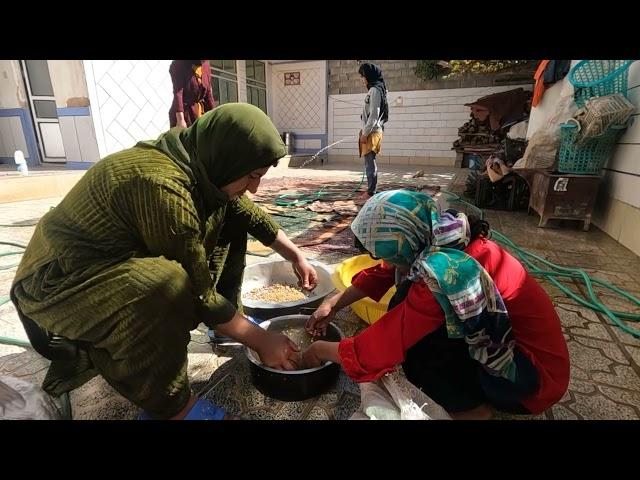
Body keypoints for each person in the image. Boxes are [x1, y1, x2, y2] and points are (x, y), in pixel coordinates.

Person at [11, 103, 318, 420]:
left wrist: (295, 255)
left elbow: (247, 213)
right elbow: (197, 290)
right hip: (56, 287)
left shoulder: (198, 159)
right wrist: (263, 340)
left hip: (100, 267)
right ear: (228, 159)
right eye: (252, 175)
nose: (255, 187)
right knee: (166, 283)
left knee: (227, 212)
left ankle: (226, 325)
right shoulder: (164, 187)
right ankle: (173, 408)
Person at [303, 190, 569, 419]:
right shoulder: (442, 234)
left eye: (380, 253)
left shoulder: (446, 274)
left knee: (417, 345)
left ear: (402, 245)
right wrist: (334, 304)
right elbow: (384, 272)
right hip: (526, 361)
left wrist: (317, 351)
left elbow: (383, 344)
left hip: (529, 383)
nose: (383, 261)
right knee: (408, 301)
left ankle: (471, 409)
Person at [358, 63, 389, 198]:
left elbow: (374, 114)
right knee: (369, 161)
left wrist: (365, 133)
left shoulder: (375, 91)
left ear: (368, 76)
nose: (361, 79)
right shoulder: (375, 89)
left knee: (370, 162)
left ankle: (371, 192)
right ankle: (371, 189)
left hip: (372, 132)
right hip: (371, 130)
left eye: (362, 76)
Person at [169, 60, 216, 128]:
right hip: (184, 113)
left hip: (201, 112)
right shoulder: (178, 64)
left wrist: (214, 115)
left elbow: (208, 94)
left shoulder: (206, 65)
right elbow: (178, 93)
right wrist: (180, 120)